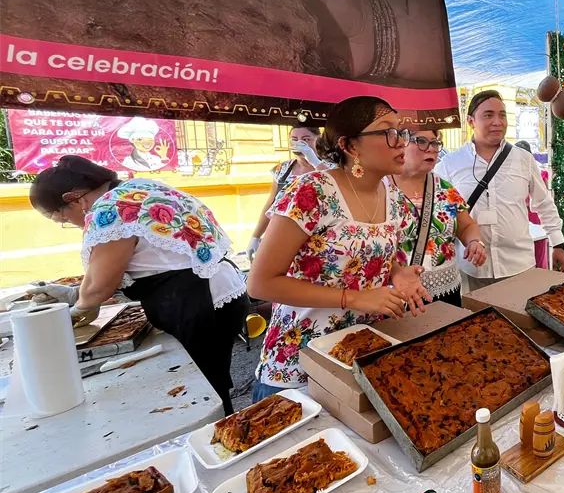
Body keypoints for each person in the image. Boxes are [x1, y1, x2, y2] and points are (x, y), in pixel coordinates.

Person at [29, 156, 248, 414]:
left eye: (63, 220)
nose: (70, 224)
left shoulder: (111, 210)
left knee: (204, 392)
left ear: (75, 199)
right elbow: (140, 260)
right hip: (222, 291)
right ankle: (223, 428)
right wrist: (75, 294)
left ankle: (219, 436)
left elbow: (100, 287)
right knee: (212, 381)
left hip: (196, 300)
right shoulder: (139, 187)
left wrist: (75, 309)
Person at [246, 97, 430, 399]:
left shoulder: (393, 198)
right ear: (350, 146)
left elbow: (366, 258)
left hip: (362, 355)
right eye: (387, 132)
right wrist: (354, 298)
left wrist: (396, 274)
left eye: (402, 131)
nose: (402, 142)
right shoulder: (312, 191)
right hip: (299, 363)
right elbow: (260, 283)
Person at [435, 90, 564, 291]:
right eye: (488, 115)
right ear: (471, 121)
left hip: (519, 265)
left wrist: (557, 243)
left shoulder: (523, 159)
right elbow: (439, 213)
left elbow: (544, 203)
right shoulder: (450, 164)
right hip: (473, 269)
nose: (498, 121)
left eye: (502, 115)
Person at [389, 129, 487, 306]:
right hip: (399, 293)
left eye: (435, 143)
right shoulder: (381, 188)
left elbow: (466, 226)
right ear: (399, 143)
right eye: (421, 141)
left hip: (446, 288)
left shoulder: (444, 188)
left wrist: (474, 242)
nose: (432, 148)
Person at [247, 125, 333, 262]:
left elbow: (336, 186)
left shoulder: (333, 167)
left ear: (318, 140)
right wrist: (256, 237)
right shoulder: (283, 169)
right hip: (284, 240)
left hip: (322, 241)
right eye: (294, 139)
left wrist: (315, 162)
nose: (299, 143)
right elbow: (271, 203)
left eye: (306, 139)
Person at [514, 140, 552, 269]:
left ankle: (538, 272)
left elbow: (543, 197)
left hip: (532, 214)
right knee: (535, 247)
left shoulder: (534, 171)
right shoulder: (537, 172)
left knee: (537, 245)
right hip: (530, 214)